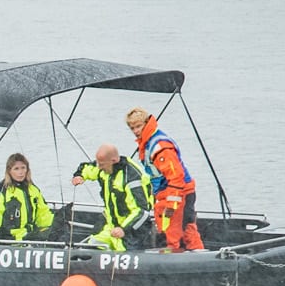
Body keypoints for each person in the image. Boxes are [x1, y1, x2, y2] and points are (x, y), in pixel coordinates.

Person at [126, 108, 205, 252]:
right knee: (180, 229)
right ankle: (191, 254)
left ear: (145, 123)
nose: (136, 131)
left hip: (178, 193)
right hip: (168, 192)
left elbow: (176, 175)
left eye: (138, 126)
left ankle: (186, 258)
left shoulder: (159, 146)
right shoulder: (147, 143)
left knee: (178, 233)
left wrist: (172, 203)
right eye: (132, 128)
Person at [72, 144, 157, 252]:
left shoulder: (132, 177)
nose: (99, 167)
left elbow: (142, 212)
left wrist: (124, 229)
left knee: (124, 252)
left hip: (132, 231)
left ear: (113, 160)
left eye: (101, 164)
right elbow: (89, 168)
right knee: (91, 247)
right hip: (112, 228)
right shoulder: (104, 168)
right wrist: (79, 175)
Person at [0, 153, 55, 243]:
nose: (21, 172)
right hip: (9, 238)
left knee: (58, 234)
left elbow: (43, 213)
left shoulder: (33, 189)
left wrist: (56, 224)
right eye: (16, 169)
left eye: (23, 168)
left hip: (29, 235)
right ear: (9, 171)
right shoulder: (0, 191)